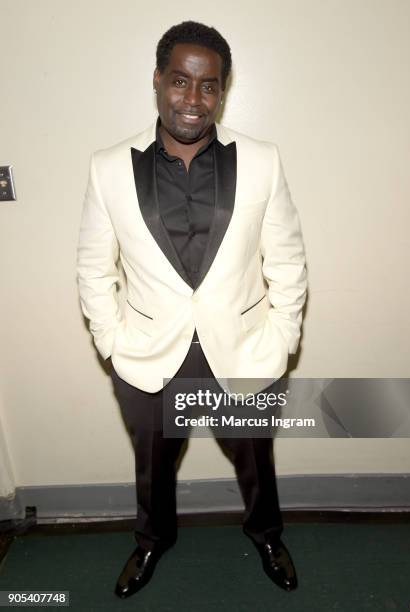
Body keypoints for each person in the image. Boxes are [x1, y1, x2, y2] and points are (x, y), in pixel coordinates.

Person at [76, 20, 307, 599]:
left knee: (257, 460)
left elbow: (288, 260)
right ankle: (152, 540)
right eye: (180, 81)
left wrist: (282, 339)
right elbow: (92, 268)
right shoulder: (108, 167)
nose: (193, 99)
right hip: (148, 356)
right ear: (158, 80)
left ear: (222, 91)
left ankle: (267, 534)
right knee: (152, 465)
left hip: (245, 348)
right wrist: (111, 341)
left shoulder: (262, 160)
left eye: (208, 86)